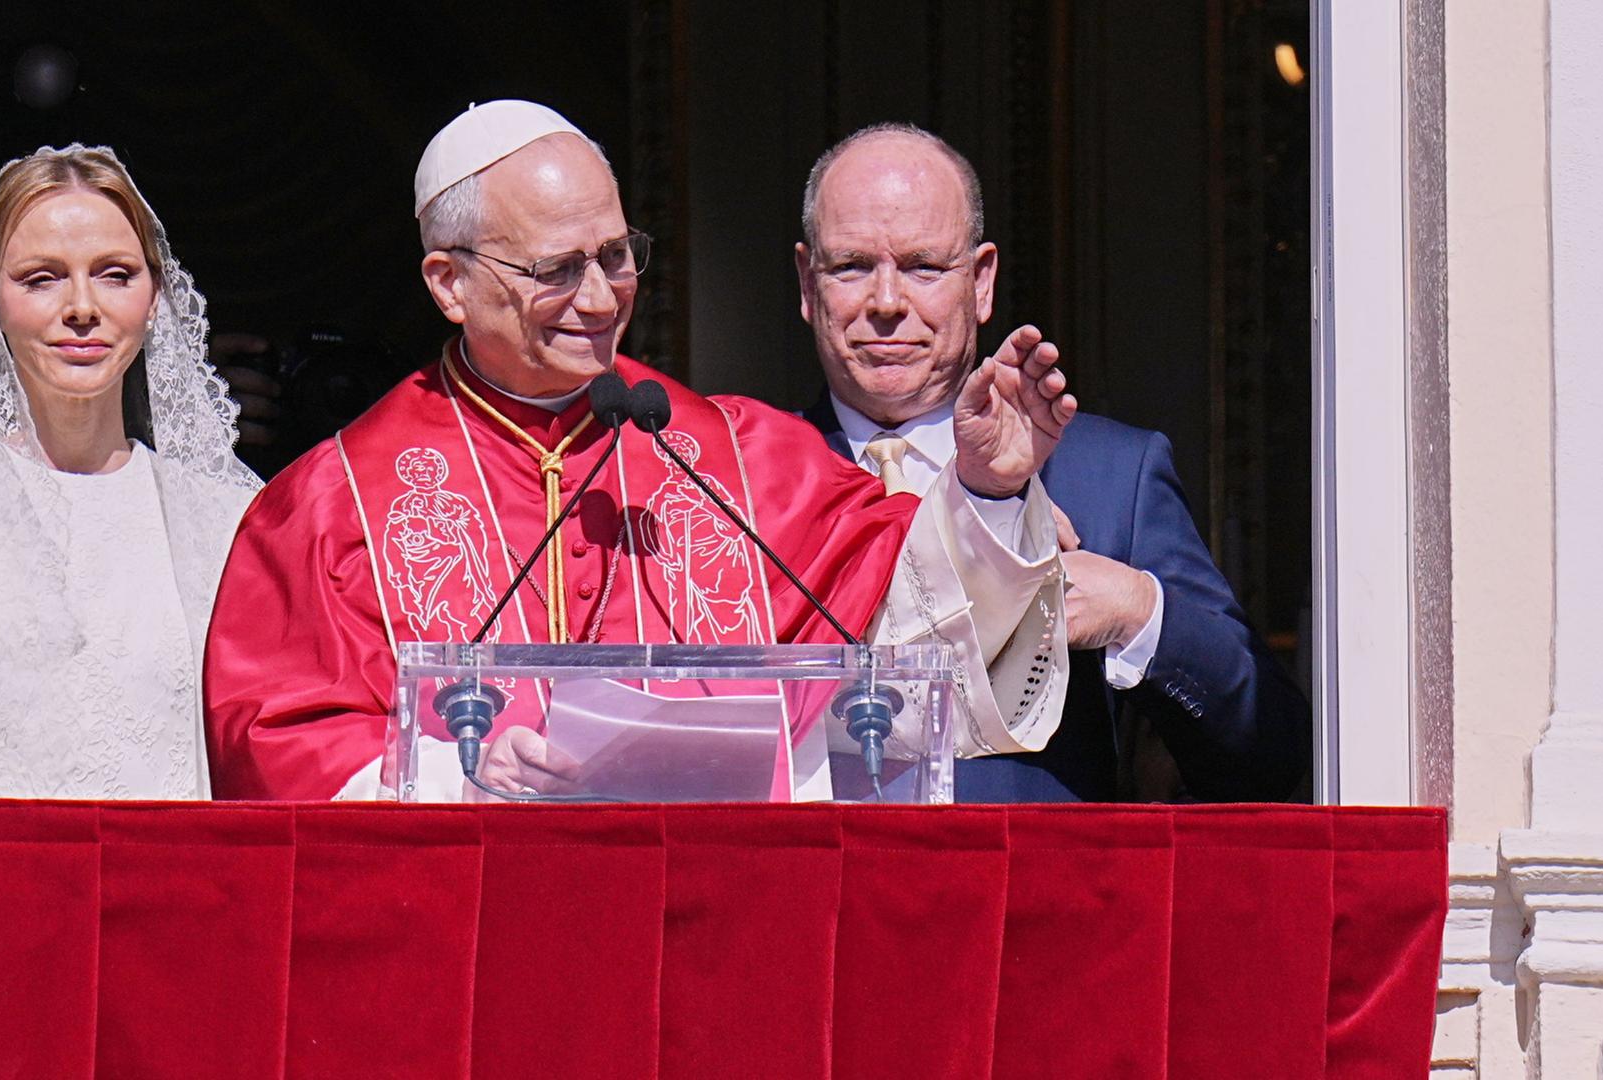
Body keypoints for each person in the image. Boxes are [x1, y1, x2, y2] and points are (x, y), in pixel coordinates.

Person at [203, 101, 1079, 801]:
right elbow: (273, 742)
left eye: (616, 257)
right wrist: (455, 778)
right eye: (555, 269)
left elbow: (911, 637)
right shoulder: (331, 504)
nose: (598, 299)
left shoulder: (734, 456)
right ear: (451, 284)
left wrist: (990, 493)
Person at [796, 123, 1310, 802]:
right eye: (852, 266)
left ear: (981, 283)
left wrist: (1139, 613)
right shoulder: (740, 478)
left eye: (924, 266)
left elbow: (1267, 753)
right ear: (807, 283)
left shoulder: (1107, 477)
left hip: (1034, 902)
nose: (887, 303)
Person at [0, 144, 261, 798]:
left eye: (114, 274)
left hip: (171, 884)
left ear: (154, 298)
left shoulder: (226, 518)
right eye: (41, 278)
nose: (82, 306)